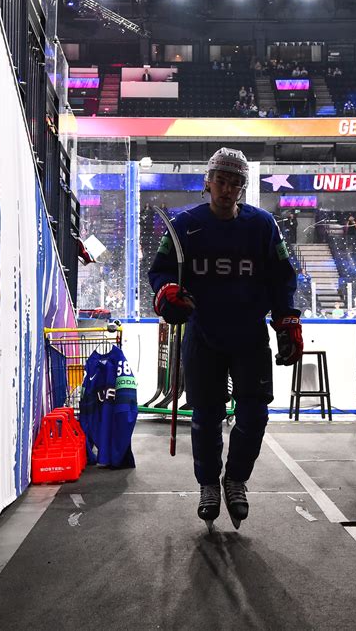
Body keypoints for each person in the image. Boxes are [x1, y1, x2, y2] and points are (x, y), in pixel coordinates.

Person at [148, 148, 303, 529]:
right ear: (208, 181)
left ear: (243, 187)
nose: (228, 188)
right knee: (205, 417)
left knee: (255, 414)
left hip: (249, 335)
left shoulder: (263, 226)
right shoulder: (185, 225)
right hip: (203, 334)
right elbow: (160, 273)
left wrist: (287, 319)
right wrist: (166, 293)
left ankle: (235, 480)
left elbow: (283, 276)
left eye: (236, 182)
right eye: (221, 180)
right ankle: (208, 485)